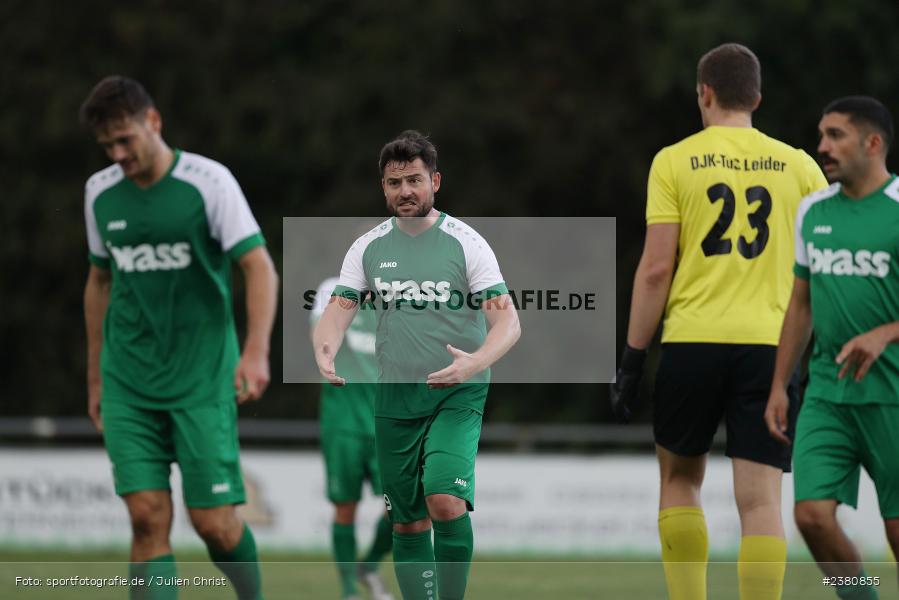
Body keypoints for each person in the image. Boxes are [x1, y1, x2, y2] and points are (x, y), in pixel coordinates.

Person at [610, 44, 827, 600]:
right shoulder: (801, 165)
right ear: (756, 97)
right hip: (772, 350)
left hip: (692, 343)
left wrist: (633, 358)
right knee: (759, 501)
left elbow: (657, 269)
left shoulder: (675, 160)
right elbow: (824, 267)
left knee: (680, 480)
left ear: (703, 93)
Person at [81, 75, 279, 600]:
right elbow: (100, 281)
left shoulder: (208, 182)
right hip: (128, 379)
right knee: (146, 518)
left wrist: (256, 351)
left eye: (126, 140)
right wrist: (96, 378)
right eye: (108, 146)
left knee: (213, 522)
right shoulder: (99, 194)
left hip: (202, 378)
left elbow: (257, 266)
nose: (118, 154)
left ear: (154, 122)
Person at [312, 130, 520, 600]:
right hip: (394, 398)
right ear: (382, 187)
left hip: (456, 393)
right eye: (393, 183)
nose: (404, 191)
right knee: (405, 522)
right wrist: (325, 347)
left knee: (445, 501)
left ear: (435, 182)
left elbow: (507, 321)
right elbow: (337, 312)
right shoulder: (367, 247)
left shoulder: (467, 243)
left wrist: (475, 363)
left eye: (414, 180)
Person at [765, 96, 899, 600]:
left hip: (892, 394)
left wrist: (885, 332)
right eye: (822, 135)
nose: (822, 146)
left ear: (873, 143)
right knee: (811, 518)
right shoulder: (813, 211)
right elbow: (801, 305)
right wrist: (780, 384)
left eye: (836, 135)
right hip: (826, 394)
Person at [310, 275, 395, 600]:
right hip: (342, 420)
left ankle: (369, 565)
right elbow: (321, 338)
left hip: (388, 420)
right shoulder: (332, 288)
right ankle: (349, 591)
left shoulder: (402, 293)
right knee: (345, 507)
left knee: (400, 507)